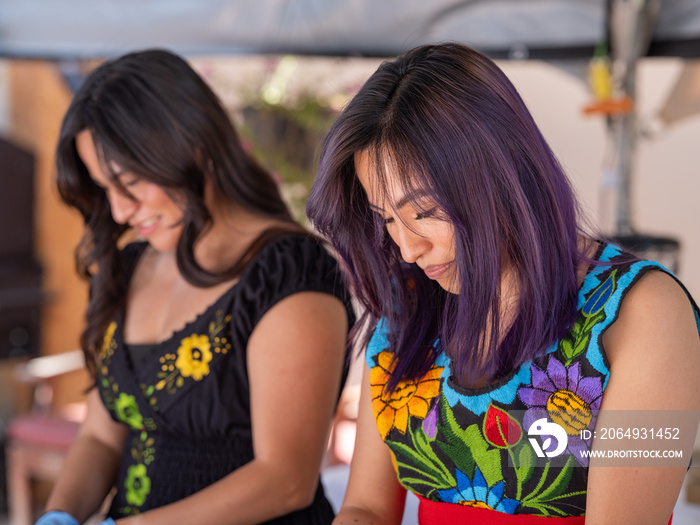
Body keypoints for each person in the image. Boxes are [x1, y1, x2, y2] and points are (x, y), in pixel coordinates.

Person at [305, 42, 700, 524]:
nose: (408, 250)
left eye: (425, 212)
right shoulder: (412, 308)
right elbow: (365, 507)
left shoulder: (646, 314)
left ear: (503, 173)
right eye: (386, 219)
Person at [36, 49, 355, 525]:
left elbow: (285, 479)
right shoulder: (125, 269)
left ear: (193, 146)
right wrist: (59, 515)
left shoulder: (289, 274)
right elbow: (101, 436)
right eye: (106, 189)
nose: (120, 211)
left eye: (130, 182)